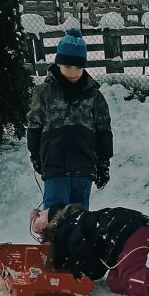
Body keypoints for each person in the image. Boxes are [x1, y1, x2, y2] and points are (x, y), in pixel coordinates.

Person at [26, 28, 113, 210]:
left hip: (84, 165)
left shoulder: (94, 96)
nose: (72, 72)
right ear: (58, 64)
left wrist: (104, 162)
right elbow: (35, 125)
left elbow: (103, 129)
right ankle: (52, 239)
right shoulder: (44, 92)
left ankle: (77, 239)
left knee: (78, 217)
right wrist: (36, 155)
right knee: (53, 215)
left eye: (78, 67)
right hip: (54, 164)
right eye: (67, 67)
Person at [30, 203, 149, 296]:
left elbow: (92, 267)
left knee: (130, 279)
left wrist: (74, 272)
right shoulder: (74, 224)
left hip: (128, 230)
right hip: (130, 227)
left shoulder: (69, 232)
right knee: (115, 282)